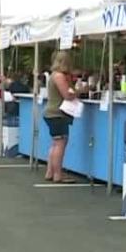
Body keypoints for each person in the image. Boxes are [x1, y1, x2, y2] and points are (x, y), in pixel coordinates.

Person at [43, 50, 79, 183]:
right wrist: (79, 91)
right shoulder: (59, 76)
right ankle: (58, 174)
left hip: (51, 112)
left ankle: (50, 172)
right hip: (58, 113)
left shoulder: (54, 75)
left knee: (55, 143)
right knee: (60, 144)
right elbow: (67, 95)